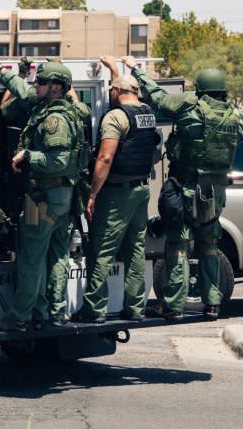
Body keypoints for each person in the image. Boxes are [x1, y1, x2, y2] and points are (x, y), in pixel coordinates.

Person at [129, 57, 243, 321]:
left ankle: (174, 305)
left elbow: (157, 99)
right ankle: (213, 303)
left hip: (186, 187)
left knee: (179, 245)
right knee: (210, 245)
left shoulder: (189, 105)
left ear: (201, 89)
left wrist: (137, 71)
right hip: (216, 192)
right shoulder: (235, 117)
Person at [0, 57, 86, 332]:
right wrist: (1, 71)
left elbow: (59, 161)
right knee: (57, 256)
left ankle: (20, 315)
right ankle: (51, 312)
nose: (35, 85)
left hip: (47, 198)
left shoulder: (54, 119)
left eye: (41, 82)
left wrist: (28, 154)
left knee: (31, 257)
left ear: (56, 87)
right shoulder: (61, 108)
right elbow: (23, 91)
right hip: (61, 197)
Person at [71, 56, 157, 324]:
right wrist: (113, 70)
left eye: (111, 91)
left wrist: (93, 193)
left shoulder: (115, 117)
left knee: (102, 249)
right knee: (134, 249)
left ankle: (94, 309)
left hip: (117, 193)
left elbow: (105, 158)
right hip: (141, 190)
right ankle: (135, 307)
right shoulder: (147, 113)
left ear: (118, 92)